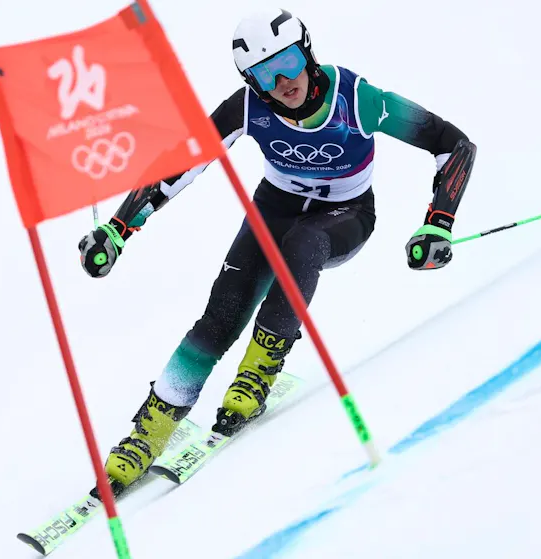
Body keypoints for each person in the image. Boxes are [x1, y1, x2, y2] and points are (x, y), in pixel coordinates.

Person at [78, 8, 476, 494]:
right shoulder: (248, 107)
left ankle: (257, 372)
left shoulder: (356, 98)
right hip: (274, 208)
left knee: (304, 244)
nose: (282, 80)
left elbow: (454, 145)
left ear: (306, 51)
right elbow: (183, 164)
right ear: (252, 80)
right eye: (265, 73)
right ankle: (151, 429)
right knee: (220, 314)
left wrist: (439, 222)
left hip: (344, 217)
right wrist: (120, 228)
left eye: (287, 61)